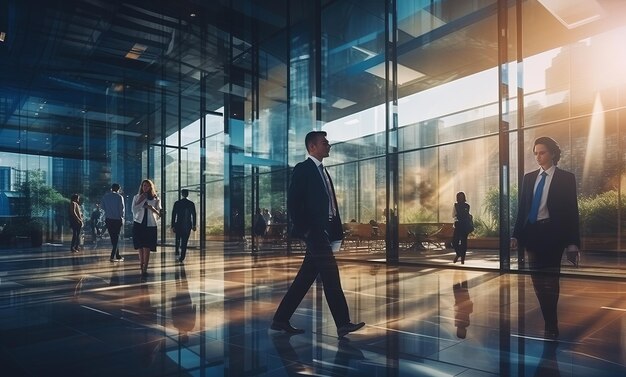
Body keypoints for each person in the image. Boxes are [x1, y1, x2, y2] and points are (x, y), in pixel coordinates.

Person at [271, 130, 365, 338]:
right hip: (314, 232)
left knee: (305, 279)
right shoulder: (303, 169)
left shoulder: (323, 171)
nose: (328, 145)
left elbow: (328, 204)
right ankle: (343, 324)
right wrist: (307, 230)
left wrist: (334, 230)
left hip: (326, 231)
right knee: (331, 274)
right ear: (312, 147)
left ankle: (280, 319)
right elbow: (294, 203)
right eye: (324, 143)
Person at [511, 136, 580, 340]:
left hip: (553, 235)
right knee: (537, 282)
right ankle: (549, 318)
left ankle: (551, 322)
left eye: (542, 152)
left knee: (551, 280)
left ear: (552, 153)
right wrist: (516, 235)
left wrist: (572, 243)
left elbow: (571, 212)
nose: (538, 157)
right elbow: (522, 209)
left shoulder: (566, 178)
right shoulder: (529, 178)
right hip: (533, 234)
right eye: (536, 153)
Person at [132, 179, 162, 277]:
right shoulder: (136, 197)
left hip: (150, 224)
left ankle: (145, 267)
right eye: (144, 185)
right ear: (141, 187)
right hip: (138, 223)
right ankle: (141, 264)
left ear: (150, 187)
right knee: (140, 246)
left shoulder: (155, 198)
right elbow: (134, 210)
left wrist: (151, 208)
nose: (145, 187)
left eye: (147, 186)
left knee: (147, 246)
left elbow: (159, 213)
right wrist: (140, 200)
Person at [170, 189, 197, 262]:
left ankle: (177, 250)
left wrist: (172, 225)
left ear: (182, 194)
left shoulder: (177, 203)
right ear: (188, 194)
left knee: (178, 238)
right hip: (187, 225)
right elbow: (194, 215)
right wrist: (194, 225)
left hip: (178, 224)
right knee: (185, 241)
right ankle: (182, 256)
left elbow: (173, 214)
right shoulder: (191, 203)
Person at [101, 183, 125, 262]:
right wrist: (122, 218)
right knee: (117, 237)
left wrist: (109, 211)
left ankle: (117, 255)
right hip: (117, 219)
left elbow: (102, 207)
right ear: (119, 189)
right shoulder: (119, 197)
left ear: (111, 188)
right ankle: (112, 256)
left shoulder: (105, 197)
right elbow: (121, 209)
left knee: (113, 238)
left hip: (109, 219)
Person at [452, 191, 472, 264]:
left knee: (463, 242)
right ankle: (459, 254)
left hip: (464, 225)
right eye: (459, 197)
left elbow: (455, 215)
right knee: (455, 241)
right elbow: (453, 215)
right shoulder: (456, 205)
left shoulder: (467, 206)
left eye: (461, 197)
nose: (460, 198)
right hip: (459, 225)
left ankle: (462, 258)